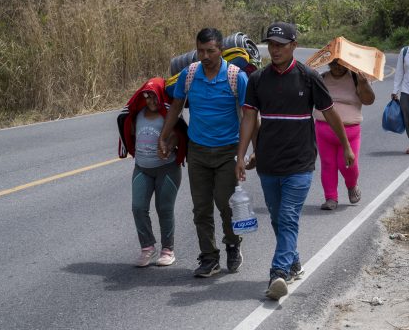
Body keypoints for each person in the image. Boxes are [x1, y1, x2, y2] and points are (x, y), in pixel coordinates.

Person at [235, 22, 355, 300]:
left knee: (288, 217)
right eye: (271, 45)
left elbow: (331, 113)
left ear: (294, 46)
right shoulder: (258, 80)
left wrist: (347, 146)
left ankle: (278, 273)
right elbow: (249, 118)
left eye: (281, 44)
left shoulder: (309, 77)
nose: (275, 50)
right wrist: (241, 155)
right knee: (278, 218)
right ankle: (293, 261)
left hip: (299, 163)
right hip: (268, 163)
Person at [159, 28, 249, 278]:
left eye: (211, 50)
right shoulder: (189, 75)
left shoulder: (236, 77)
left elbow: (250, 117)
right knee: (201, 208)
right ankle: (209, 257)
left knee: (225, 203)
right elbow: (176, 106)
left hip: (227, 151)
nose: (206, 56)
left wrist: (246, 154)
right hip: (198, 151)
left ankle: (232, 244)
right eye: (201, 51)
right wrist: (163, 136)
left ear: (221, 49)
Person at [118, 77, 187, 267]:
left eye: (155, 97)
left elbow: (178, 137)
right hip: (142, 168)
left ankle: (168, 250)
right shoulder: (137, 115)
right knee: (138, 207)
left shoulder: (168, 115)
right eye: (147, 97)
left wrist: (168, 147)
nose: (152, 101)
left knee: (164, 209)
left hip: (167, 169)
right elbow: (129, 133)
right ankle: (147, 247)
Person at [314, 60, 375, 210]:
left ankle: (352, 185)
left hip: (350, 131)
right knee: (328, 164)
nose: (337, 67)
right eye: (334, 63)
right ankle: (331, 198)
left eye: (341, 64)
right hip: (323, 129)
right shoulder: (321, 78)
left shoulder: (356, 78)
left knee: (347, 164)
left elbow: (369, 100)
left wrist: (364, 84)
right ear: (329, 63)